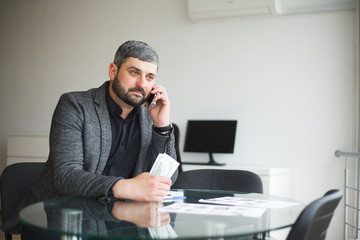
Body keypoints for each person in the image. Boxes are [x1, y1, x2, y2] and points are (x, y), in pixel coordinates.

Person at [2, 40, 178, 235]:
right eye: (134, 72)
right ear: (113, 71)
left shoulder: (149, 116)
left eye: (150, 76)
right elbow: (66, 176)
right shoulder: (74, 105)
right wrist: (127, 187)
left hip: (121, 220)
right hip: (62, 218)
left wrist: (161, 127)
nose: (142, 84)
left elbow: (167, 179)